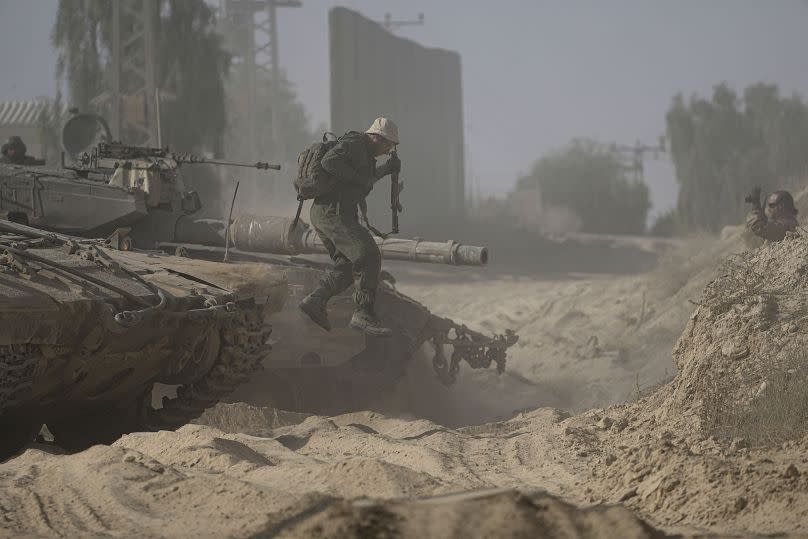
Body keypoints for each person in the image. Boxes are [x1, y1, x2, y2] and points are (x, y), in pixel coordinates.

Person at [298, 117, 402, 337]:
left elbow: (366, 180)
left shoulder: (366, 153)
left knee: (347, 267)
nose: (388, 150)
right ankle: (363, 314)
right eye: (387, 145)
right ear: (376, 137)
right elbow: (329, 163)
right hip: (334, 214)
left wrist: (387, 169)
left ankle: (316, 300)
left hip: (329, 214)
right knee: (369, 255)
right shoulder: (356, 143)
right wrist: (357, 179)